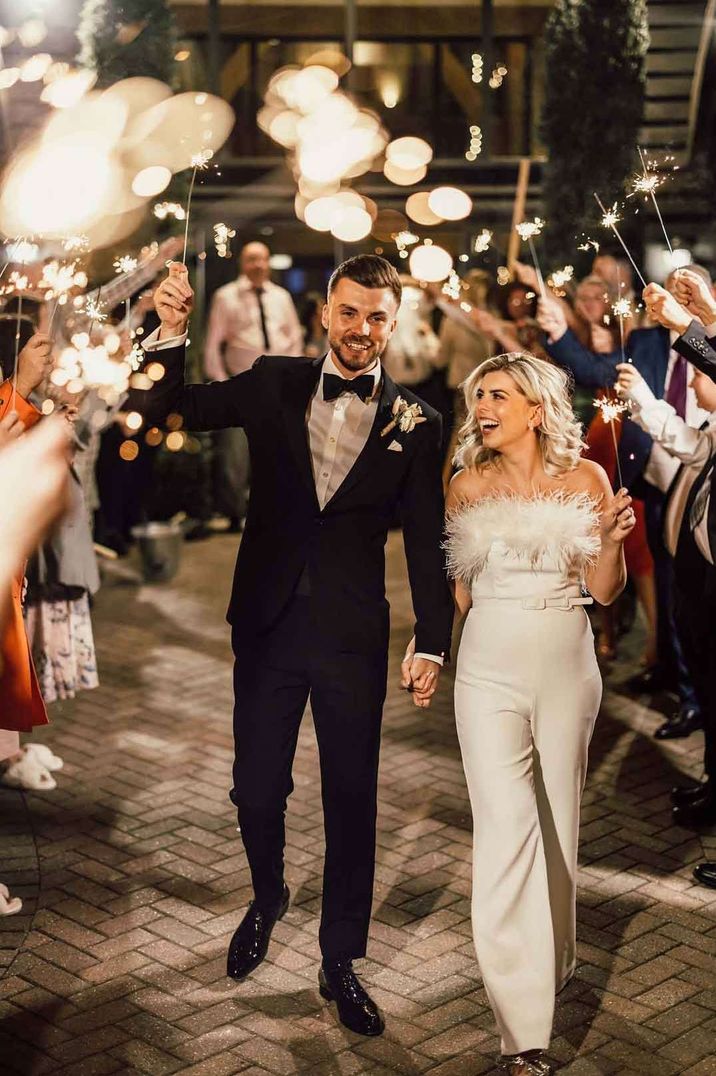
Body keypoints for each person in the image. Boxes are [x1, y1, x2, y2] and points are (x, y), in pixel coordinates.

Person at [141, 254, 454, 1036]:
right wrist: (170, 331)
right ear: (324, 313)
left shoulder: (418, 422)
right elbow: (171, 405)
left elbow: (425, 539)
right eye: (350, 313)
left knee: (351, 797)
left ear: (394, 321)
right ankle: (267, 892)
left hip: (352, 634)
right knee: (255, 787)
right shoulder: (271, 381)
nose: (362, 330)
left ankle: (341, 956)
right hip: (269, 623)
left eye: (378, 317)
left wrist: (434, 640)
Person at [439, 352, 634, 1075]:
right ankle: (523, 1032)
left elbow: (606, 592)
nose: (482, 406)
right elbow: (458, 593)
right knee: (504, 831)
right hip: (487, 665)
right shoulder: (463, 484)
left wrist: (611, 542)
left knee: (556, 826)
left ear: (535, 407)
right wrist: (433, 652)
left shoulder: (585, 480)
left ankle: (550, 958)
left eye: (497, 394)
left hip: (566, 661)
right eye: (477, 395)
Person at [538, 275, 709, 739]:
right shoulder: (649, 340)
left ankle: (695, 697)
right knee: (675, 594)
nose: (677, 300)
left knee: (696, 603)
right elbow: (598, 371)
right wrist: (558, 334)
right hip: (658, 482)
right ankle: (679, 680)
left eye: (689, 294)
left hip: (696, 477)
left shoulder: (709, 343)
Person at [616, 359, 716, 834]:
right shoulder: (711, 430)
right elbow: (684, 444)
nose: (692, 384)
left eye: (701, 376)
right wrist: (642, 399)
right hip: (698, 584)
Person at [203, 241, 304, 531]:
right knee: (236, 455)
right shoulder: (226, 297)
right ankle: (236, 514)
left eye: (262, 259)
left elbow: (294, 336)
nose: (257, 265)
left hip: (280, 385)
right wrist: (223, 386)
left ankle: (274, 511)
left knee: (278, 451)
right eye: (251, 260)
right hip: (242, 382)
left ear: (269, 262)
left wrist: (294, 376)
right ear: (242, 264)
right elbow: (213, 345)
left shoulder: (281, 296)